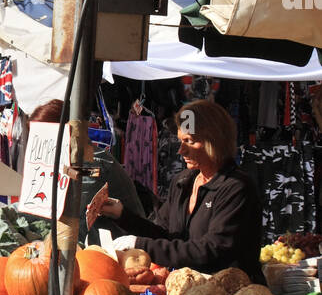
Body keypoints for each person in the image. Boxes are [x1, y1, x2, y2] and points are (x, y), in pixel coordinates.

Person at [87, 99, 263, 277]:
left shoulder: (237, 188)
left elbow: (211, 249)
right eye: (180, 141)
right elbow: (165, 236)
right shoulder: (184, 181)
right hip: (191, 289)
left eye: (190, 141)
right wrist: (122, 215)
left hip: (234, 294)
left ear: (215, 141)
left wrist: (140, 244)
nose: (181, 151)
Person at [25, 99, 145, 240]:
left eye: (42, 137)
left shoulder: (91, 162)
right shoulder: (67, 160)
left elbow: (74, 213)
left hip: (121, 247)